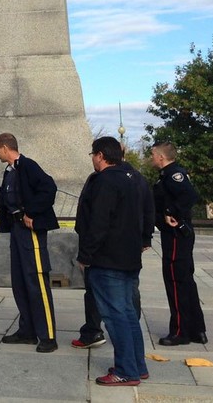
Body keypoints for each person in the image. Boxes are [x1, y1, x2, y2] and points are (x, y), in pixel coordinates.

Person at [76, 137, 148, 386]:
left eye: (93, 155)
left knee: (115, 316)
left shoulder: (105, 181)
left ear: (100, 155)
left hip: (108, 260)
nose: (93, 160)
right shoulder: (132, 178)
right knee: (128, 314)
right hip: (128, 256)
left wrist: (85, 255)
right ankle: (138, 365)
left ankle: (126, 370)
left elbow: (99, 222)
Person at [0, 133, 59, 353]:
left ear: (5, 147)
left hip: (29, 230)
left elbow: (49, 188)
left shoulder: (28, 166)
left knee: (36, 281)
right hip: (16, 230)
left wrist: (31, 212)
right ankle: (28, 330)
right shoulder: (9, 171)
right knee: (20, 281)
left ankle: (48, 335)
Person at [151, 141, 207, 346]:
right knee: (185, 281)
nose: (151, 159)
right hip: (177, 236)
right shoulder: (169, 175)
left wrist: (169, 212)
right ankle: (196, 329)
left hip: (175, 235)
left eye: (153, 155)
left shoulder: (173, 174)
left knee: (176, 282)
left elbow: (189, 195)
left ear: (161, 157)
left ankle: (180, 331)